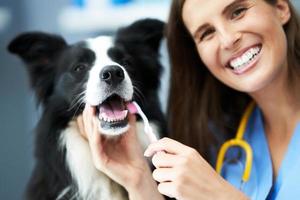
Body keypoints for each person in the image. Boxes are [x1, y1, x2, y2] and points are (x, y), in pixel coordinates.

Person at [77, 0, 300, 199]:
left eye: (238, 12)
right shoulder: (221, 142)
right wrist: (138, 179)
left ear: (281, 7)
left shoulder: (212, 176)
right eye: (207, 33)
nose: (228, 40)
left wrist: (221, 195)